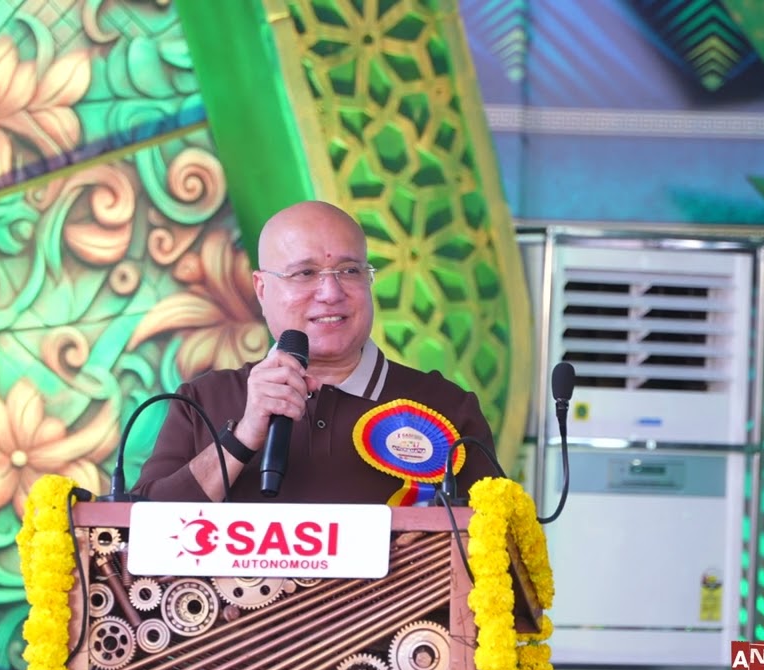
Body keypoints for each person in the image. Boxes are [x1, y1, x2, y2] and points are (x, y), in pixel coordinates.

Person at [135, 200, 497, 503]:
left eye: (349, 270)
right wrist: (243, 436)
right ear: (261, 289)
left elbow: (496, 547)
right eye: (305, 273)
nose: (331, 293)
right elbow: (136, 534)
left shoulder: (445, 406)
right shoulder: (203, 400)